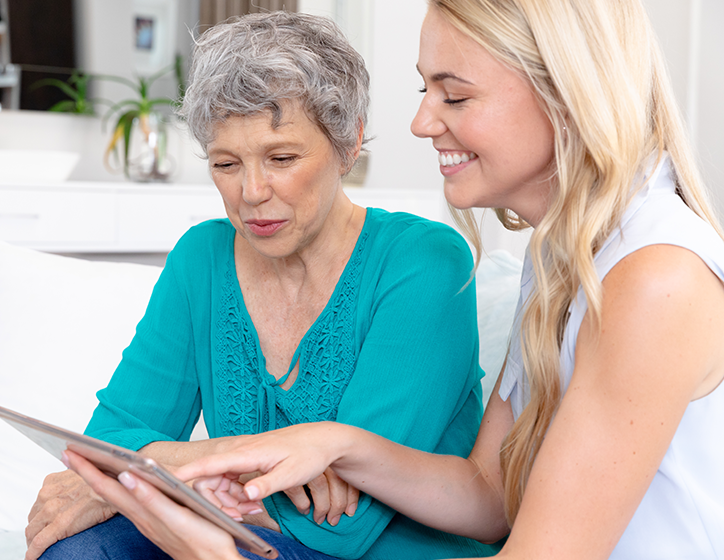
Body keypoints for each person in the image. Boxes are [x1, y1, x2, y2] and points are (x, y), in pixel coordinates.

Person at [65, 1, 724, 559]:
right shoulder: (564, 257)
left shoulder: (653, 278)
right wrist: (334, 444)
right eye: (425, 91)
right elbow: (489, 496)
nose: (420, 123)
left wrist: (205, 525)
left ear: (565, 91)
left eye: (455, 94)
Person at [27, 10, 501, 560]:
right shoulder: (202, 258)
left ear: (347, 142)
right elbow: (106, 449)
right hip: (241, 535)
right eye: (226, 164)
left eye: (282, 158)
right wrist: (224, 471)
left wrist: (170, 475)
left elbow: (343, 526)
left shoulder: (423, 262)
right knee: (75, 549)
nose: (252, 192)